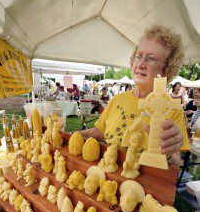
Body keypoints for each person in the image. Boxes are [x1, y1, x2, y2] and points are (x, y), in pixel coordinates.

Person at [77, 25, 190, 162]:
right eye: (138, 56)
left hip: (144, 182)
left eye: (150, 58)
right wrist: (74, 135)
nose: (140, 64)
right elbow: (100, 131)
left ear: (167, 69)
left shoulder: (172, 109)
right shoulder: (117, 99)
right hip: (108, 177)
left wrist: (170, 154)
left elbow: (177, 161)